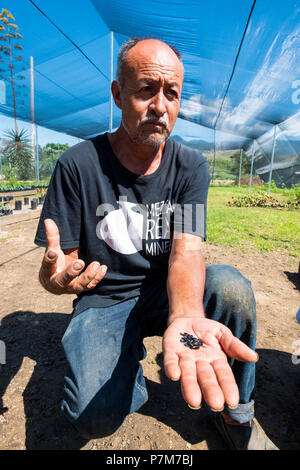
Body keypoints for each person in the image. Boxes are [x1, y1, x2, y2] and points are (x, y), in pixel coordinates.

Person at [34, 37, 277, 450]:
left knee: (230, 287)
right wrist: (58, 279)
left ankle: (235, 416)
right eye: (146, 89)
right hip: (105, 298)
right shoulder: (77, 164)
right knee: (92, 418)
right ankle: (128, 372)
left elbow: (187, 249)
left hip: (168, 291)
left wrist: (185, 314)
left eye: (172, 93)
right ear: (117, 94)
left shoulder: (190, 165)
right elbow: (64, 263)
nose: (160, 106)